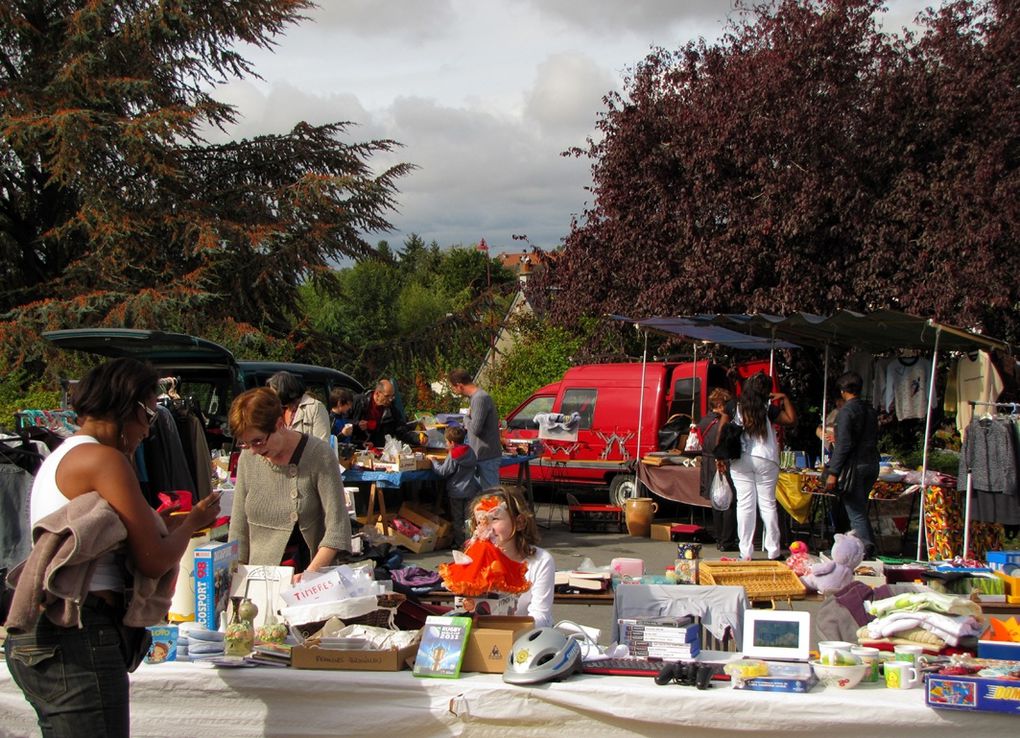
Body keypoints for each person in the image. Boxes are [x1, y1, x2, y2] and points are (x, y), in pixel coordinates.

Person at [4, 358, 221, 737]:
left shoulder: (62, 455)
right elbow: (153, 560)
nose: (147, 431)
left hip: (49, 634)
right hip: (79, 632)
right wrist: (191, 524)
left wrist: (163, 525)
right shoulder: (105, 460)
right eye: (149, 416)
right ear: (130, 408)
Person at [228, 387, 350, 577]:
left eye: (258, 441)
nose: (253, 450)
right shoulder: (248, 458)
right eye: (245, 443)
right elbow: (238, 528)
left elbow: (337, 529)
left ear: (278, 424)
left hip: (309, 575)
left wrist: (308, 577)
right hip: (260, 580)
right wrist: (235, 578)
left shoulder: (319, 454)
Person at [717, 371, 797, 561]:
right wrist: (784, 398)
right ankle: (773, 550)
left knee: (745, 505)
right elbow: (791, 420)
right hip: (766, 458)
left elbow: (722, 429)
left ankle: (745, 551)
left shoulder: (733, 405)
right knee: (768, 504)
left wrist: (719, 456)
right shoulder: (768, 407)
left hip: (740, 459)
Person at [467, 488, 554, 628]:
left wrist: (507, 630)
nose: (486, 527)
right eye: (479, 521)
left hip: (527, 639)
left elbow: (540, 616)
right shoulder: (472, 560)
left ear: (519, 522)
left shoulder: (541, 560)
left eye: (494, 519)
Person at [824, 371, 880, 557]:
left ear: (843, 391)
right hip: (871, 463)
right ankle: (864, 547)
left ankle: (866, 548)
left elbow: (844, 444)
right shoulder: (870, 410)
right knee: (860, 509)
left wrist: (833, 471)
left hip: (855, 466)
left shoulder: (847, 411)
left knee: (855, 510)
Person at [448, 368, 502, 489]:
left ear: (459, 386)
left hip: (487, 457)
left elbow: (476, 428)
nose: (454, 391)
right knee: (483, 498)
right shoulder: (476, 398)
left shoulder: (479, 398)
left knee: (491, 496)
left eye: (453, 388)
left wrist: (465, 419)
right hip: (481, 456)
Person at [698, 388, 738, 552]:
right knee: (729, 501)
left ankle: (720, 538)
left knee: (717, 501)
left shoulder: (703, 421)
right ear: (721, 404)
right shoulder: (726, 421)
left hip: (707, 463)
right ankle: (727, 541)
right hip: (723, 461)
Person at [432, 425, 481, 548]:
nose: (446, 444)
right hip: (471, 489)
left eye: (446, 442)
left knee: (458, 519)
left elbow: (443, 471)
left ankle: (461, 544)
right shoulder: (470, 451)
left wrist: (434, 462)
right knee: (469, 518)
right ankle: (471, 542)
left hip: (456, 491)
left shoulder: (453, 455)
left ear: (452, 443)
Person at [349, 378, 423, 448]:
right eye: (387, 396)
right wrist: (357, 424)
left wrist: (418, 438)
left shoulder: (392, 410)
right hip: (356, 449)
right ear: (377, 394)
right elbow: (342, 421)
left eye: (392, 396)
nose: (390, 399)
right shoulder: (358, 402)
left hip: (379, 451)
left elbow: (401, 431)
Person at [266, 371, 330, 443]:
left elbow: (322, 444)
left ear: (283, 390)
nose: (271, 396)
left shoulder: (315, 407)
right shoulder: (278, 411)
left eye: (273, 392)